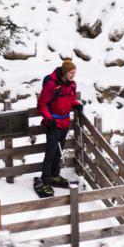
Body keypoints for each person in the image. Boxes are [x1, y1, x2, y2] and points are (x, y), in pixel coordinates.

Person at [34, 57, 81, 197]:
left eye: (75, 72)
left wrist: (77, 105)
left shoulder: (72, 85)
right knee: (50, 152)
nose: (73, 75)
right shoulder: (51, 85)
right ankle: (46, 180)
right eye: (71, 72)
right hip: (53, 124)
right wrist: (49, 119)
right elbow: (41, 104)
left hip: (65, 122)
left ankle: (55, 175)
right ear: (65, 72)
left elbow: (70, 100)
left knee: (59, 152)